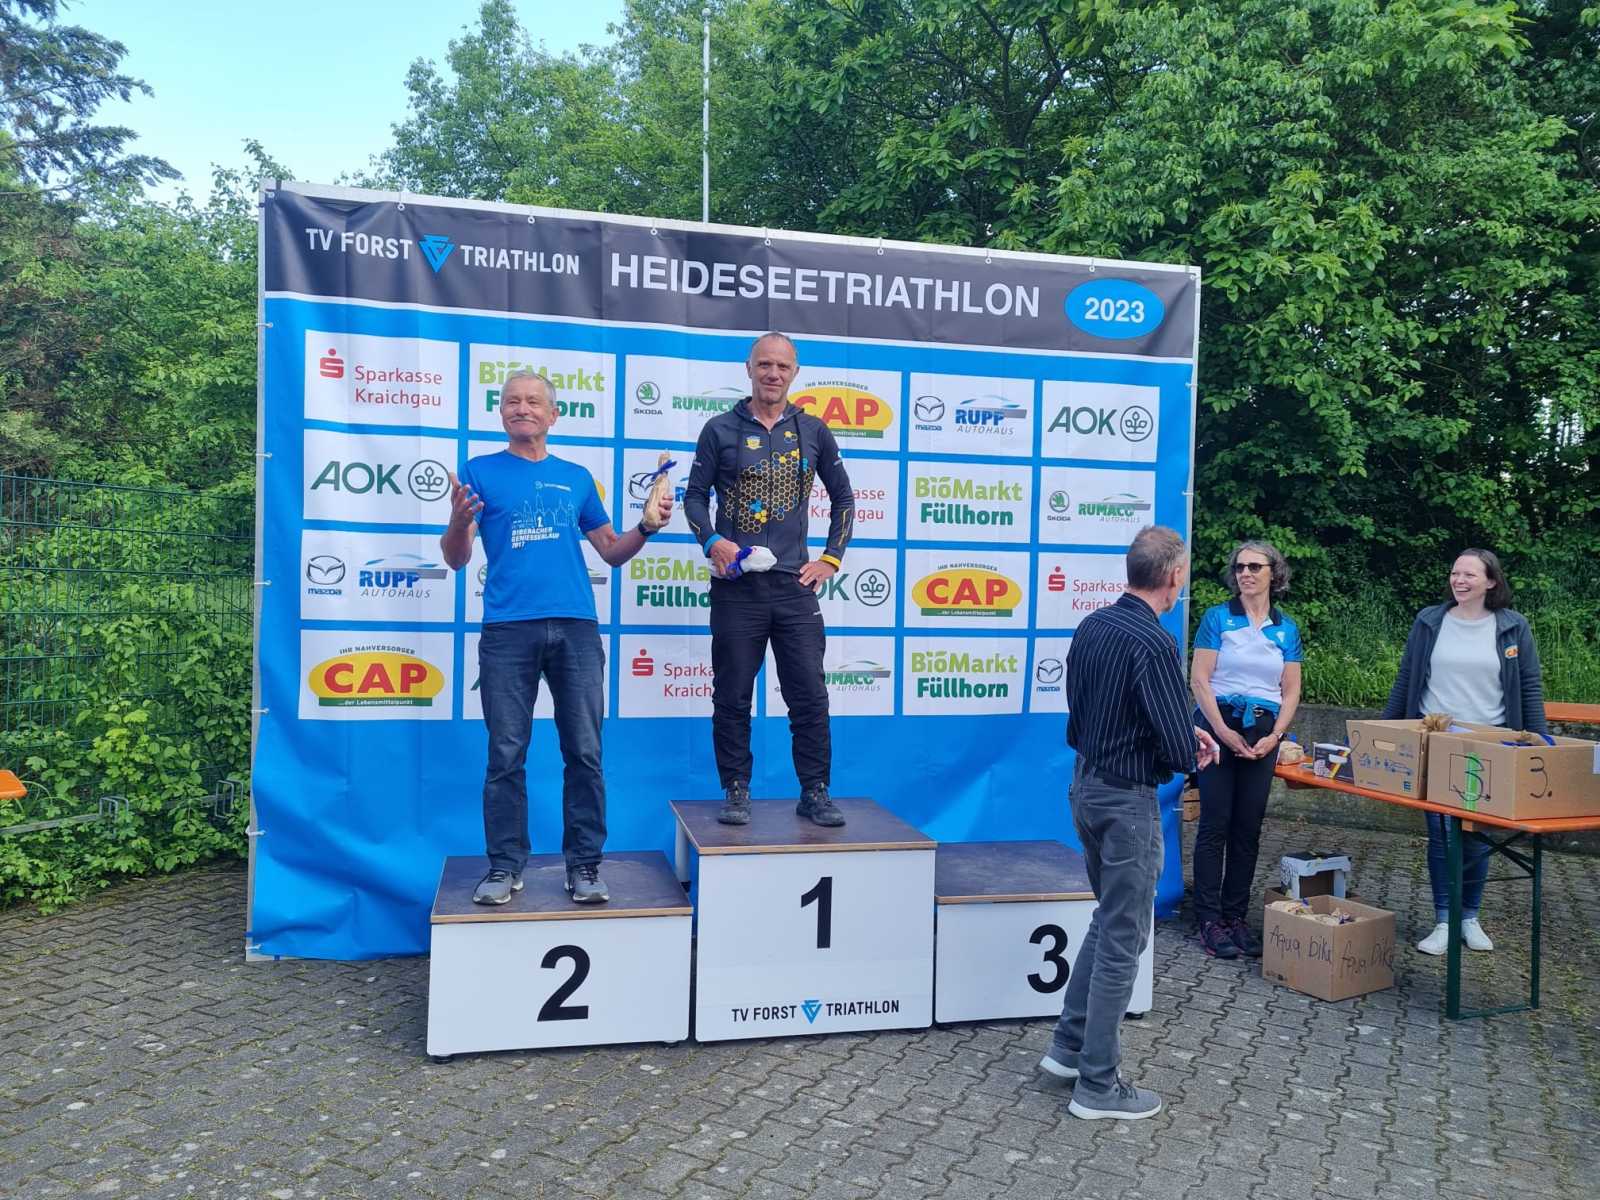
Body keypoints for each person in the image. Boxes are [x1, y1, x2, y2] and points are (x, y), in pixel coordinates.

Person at [441, 370, 672, 906]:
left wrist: (647, 528)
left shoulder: (577, 477)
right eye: (511, 401)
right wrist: (455, 522)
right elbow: (455, 558)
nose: (521, 408)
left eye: (532, 401)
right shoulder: (477, 472)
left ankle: (585, 866)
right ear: (501, 412)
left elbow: (611, 550)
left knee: (585, 752)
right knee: (505, 754)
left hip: (575, 628)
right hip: (508, 630)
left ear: (553, 414)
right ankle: (504, 867)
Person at [1039, 525, 1218, 1120]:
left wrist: (1182, 735)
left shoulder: (1093, 625)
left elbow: (1099, 712)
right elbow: (1174, 745)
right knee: (1124, 937)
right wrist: (1194, 747)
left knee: (1109, 921)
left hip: (1087, 788)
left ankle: (1067, 1049)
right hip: (1126, 802)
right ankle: (1097, 1086)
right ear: (1174, 576)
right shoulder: (1155, 641)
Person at [683, 333, 855, 828]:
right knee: (732, 695)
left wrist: (830, 559)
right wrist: (712, 542)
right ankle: (736, 789)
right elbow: (694, 498)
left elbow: (844, 499)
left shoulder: (814, 430)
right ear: (749, 369)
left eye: (781, 366)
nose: (772, 374)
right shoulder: (718, 429)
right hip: (736, 589)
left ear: (794, 372)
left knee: (809, 695)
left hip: (795, 588)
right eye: (764, 365)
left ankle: (815, 791)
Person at [1381, 548, 1546, 955]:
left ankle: (1469, 917)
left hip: (1491, 745)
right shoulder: (1429, 621)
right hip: (1437, 741)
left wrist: (1541, 741)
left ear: (1491, 581)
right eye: (1455, 573)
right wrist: (1383, 730)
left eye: (1470, 574)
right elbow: (1407, 676)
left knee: (1476, 835)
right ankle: (1444, 921)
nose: (1459, 580)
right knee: (1441, 834)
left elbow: (1529, 685)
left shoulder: (1513, 627)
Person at [1189, 540, 1303, 960]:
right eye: (1239, 567)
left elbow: (1291, 690)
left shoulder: (1286, 627)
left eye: (1255, 567)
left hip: (1264, 730)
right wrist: (1220, 731)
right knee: (1214, 823)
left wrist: (1277, 736)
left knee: (1247, 827)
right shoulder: (1218, 617)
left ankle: (1235, 916)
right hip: (1218, 723)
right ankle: (1208, 919)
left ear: (1275, 572)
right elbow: (1199, 679)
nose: (1246, 574)